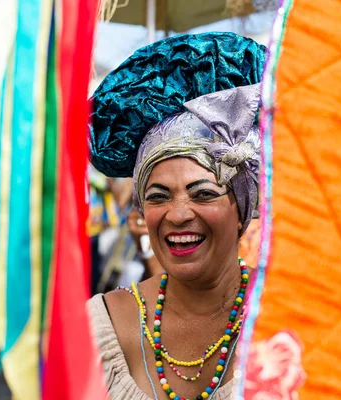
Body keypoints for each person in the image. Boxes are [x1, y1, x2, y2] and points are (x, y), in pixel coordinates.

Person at [87, 32, 266, 400]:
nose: (179, 214)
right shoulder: (99, 327)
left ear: (241, 210)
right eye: (158, 196)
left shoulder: (285, 319)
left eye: (203, 193)